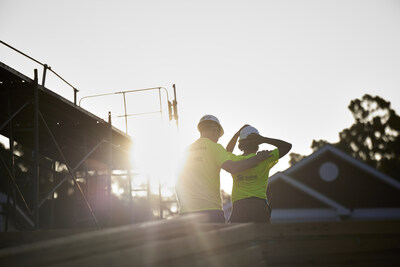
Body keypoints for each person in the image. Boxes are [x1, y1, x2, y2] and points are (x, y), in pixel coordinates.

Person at [175, 115, 272, 223]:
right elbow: (233, 168)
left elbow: (178, 182)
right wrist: (258, 158)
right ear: (214, 130)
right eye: (218, 134)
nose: (218, 138)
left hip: (186, 213)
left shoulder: (187, 150)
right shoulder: (215, 147)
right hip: (210, 211)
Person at [226, 125, 292, 223]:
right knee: (263, 237)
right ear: (257, 143)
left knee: (238, 237)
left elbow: (226, 151)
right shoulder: (265, 158)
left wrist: (236, 134)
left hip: (240, 207)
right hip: (259, 207)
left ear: (241, 144)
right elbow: (287, 146)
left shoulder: (235, 161)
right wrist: (264, 139)